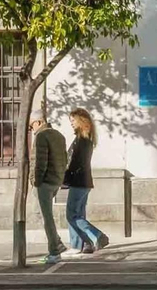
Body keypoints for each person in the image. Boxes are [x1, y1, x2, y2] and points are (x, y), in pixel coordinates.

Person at [62, 108, 109, 255]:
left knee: (72, 215)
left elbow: (75, 163)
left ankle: (94, 237)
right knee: (79, 215)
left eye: (73, 120)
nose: (71, 123)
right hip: (84, 182)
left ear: (81, 120)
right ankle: (85, 243)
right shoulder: (86, 139)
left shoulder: (81, 141)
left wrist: (65, 178)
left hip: (78, 182)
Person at [28, 116, 68, 264]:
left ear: (39, 122)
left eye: (32, 126)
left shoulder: (41, 136)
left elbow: (40, 161)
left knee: (46, 217)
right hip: (55, 181)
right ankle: (57, 242)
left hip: (44, 183)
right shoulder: (59, 135)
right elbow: (65, 159)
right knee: (43, 215)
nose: (32, 130)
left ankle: (54, 251)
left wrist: (35, 181)